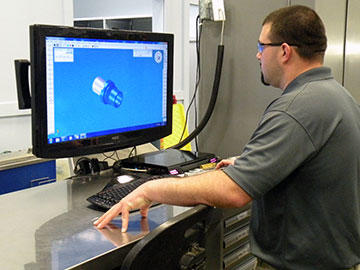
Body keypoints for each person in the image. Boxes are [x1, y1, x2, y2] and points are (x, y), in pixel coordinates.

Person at [94, 5, 360, 270]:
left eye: (261, 46)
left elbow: (233, 193)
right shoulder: (338, 97)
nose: (257, 55)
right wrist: (251, 167)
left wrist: (151, 189)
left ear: (284, 51)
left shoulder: (296, 108)